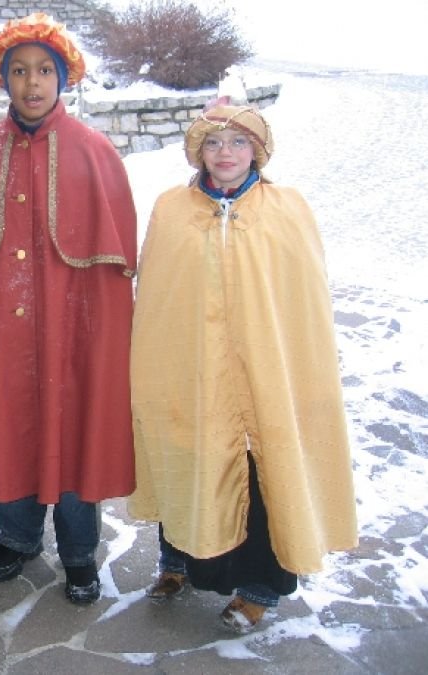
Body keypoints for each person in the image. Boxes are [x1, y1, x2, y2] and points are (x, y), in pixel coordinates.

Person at [0, 13, 138, 604]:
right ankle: (16, 538)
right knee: (9, 426)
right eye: (19, 71)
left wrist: (104, 339)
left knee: (72, 434)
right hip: (2, 332)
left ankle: (78, 554)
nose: (32, 82)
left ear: (62, 78)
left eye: (44, 70)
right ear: (4, 80)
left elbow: (114, 270)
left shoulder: (94, 152)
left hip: (72, 333)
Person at [129, 96, 358, 632]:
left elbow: (304, 302)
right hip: (191, 370)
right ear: (198, 151)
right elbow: (157, 296)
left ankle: (259, 589)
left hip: (266, 375)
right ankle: (177, 563)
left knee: (262, 473)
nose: (225, 152)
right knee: (185, 457)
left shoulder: (288, 209)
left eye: (237, 142)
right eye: (213, 142)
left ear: (257, 149)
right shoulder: (171, 209)